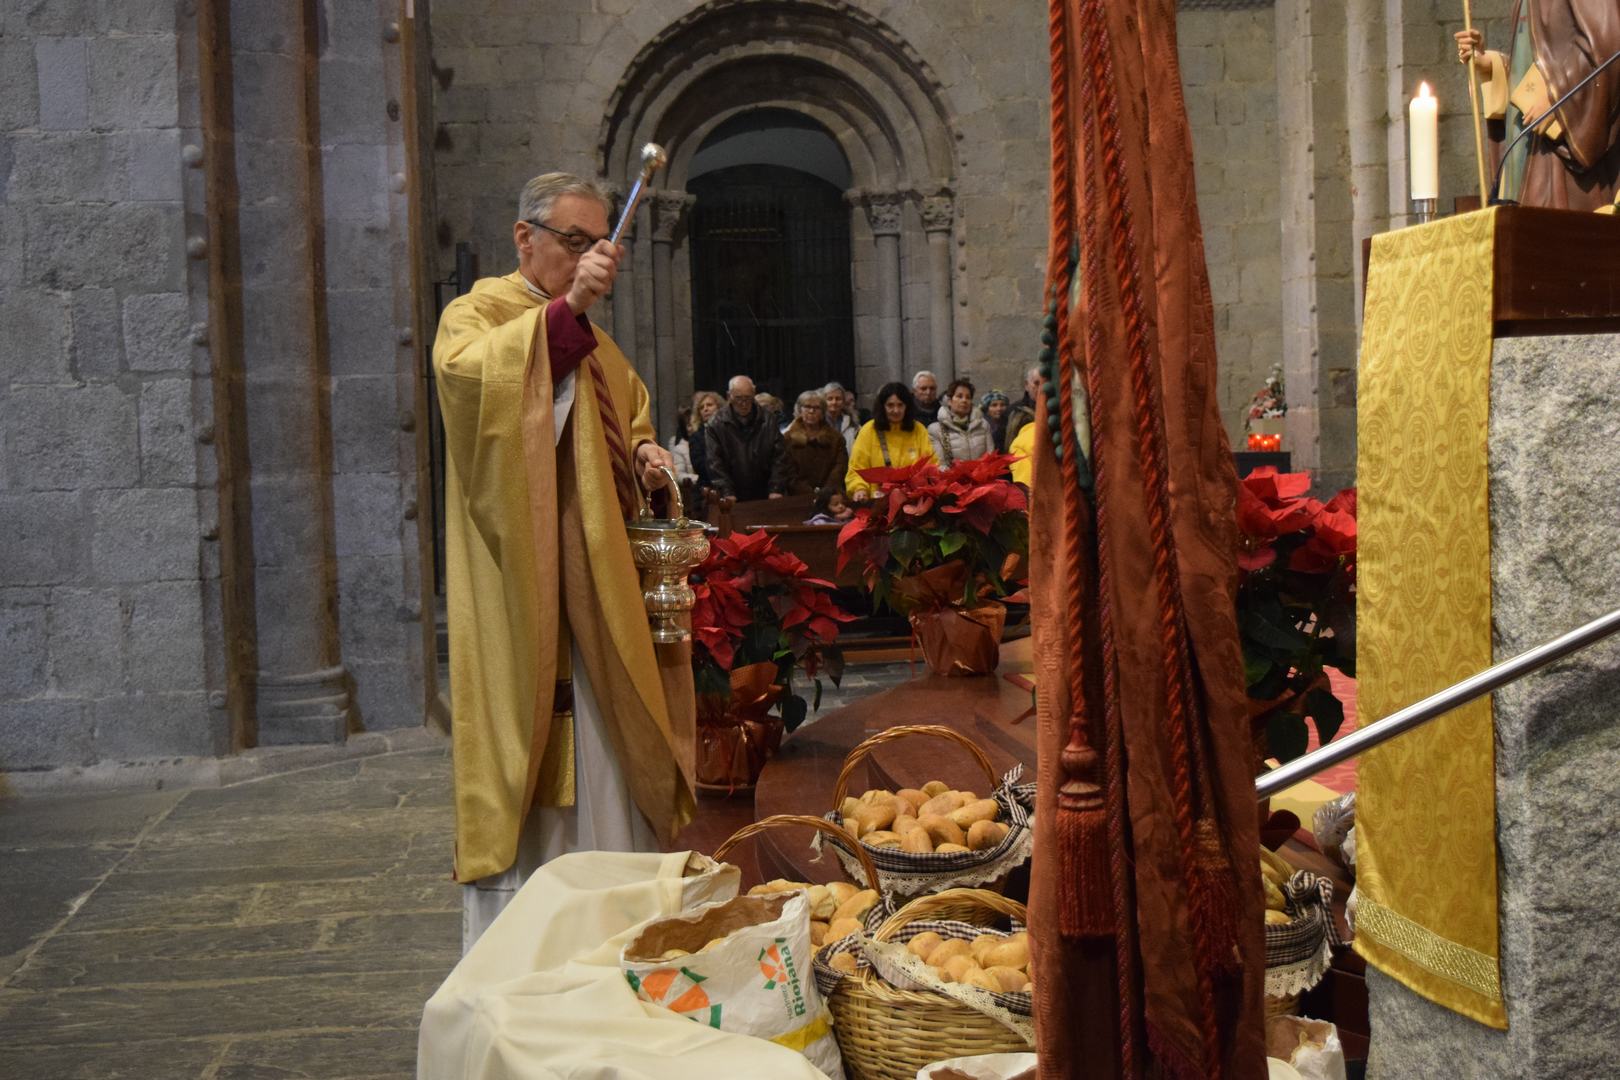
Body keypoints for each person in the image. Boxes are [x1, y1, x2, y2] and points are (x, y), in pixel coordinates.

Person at [433, 172, 695, 951]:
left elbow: (629, 408)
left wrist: (646, 451)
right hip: (534, 593)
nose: (592, 259)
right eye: (576, 242)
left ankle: (620, 936)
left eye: (599, 246)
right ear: (527, 238)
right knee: (544, 763)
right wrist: (569, 310)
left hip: (607, 592)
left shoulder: (602, 343)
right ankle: (531, 953)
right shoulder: (477, 314)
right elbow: (473, 393)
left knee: (614, 769)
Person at [1456, 6, 1620, 211]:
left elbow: (1609, 49)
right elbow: (1534, 69)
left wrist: (1558, 96)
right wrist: (1492, 66)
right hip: (1528, 156)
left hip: (1562, 166)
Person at [846, 381, 936, 501]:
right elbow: (857, 467)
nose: (896, 410)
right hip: (877, 501)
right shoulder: (869, 430)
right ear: (882, 407)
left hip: (913, 500)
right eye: (890, 405)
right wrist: (859, 489)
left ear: (907, 407)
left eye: (900, 405)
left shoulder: (919, 430)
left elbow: (930, 465)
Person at [704, 374, 789, 500]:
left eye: (747, 398)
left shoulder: (768, 420)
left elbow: (779, 457)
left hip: (765, 490)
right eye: (738, 399)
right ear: (729, 396)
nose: (743, 404)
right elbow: (714, 462)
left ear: (754, 394)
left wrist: (776, 488)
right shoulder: (716, 424)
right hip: (733, 491)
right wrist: (726, 491)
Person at [781, 389, 849, 496]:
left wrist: (826, 492)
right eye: (807, 407)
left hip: (831, 496)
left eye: (816, 408)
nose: (811, 411)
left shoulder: (836, 438)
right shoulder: (788, 438)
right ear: (799, 409)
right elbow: (788, 471)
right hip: (797, 497)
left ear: (823, 412)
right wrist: (809, 493)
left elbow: (840, 467)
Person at [928, 377, 994, 465]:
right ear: (949, 401)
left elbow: (991, 457)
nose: (964, 400)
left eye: (968, 397)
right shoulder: (936, 430)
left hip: (982, 476)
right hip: (952, 477)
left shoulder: (983, 425)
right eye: (959, 396)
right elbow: (940, 464)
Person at [1004, 365, 1041, 446]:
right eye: (1037, 383)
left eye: (1044, 383)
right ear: (1027, 385)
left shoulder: (1056, 409)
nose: (1041, 388)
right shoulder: (1014, 411)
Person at [822, 381, 859, 452]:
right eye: (830, 399)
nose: (834, 402)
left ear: (843, 401)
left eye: (838, 399)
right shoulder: (817, 422)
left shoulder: (853, 424)